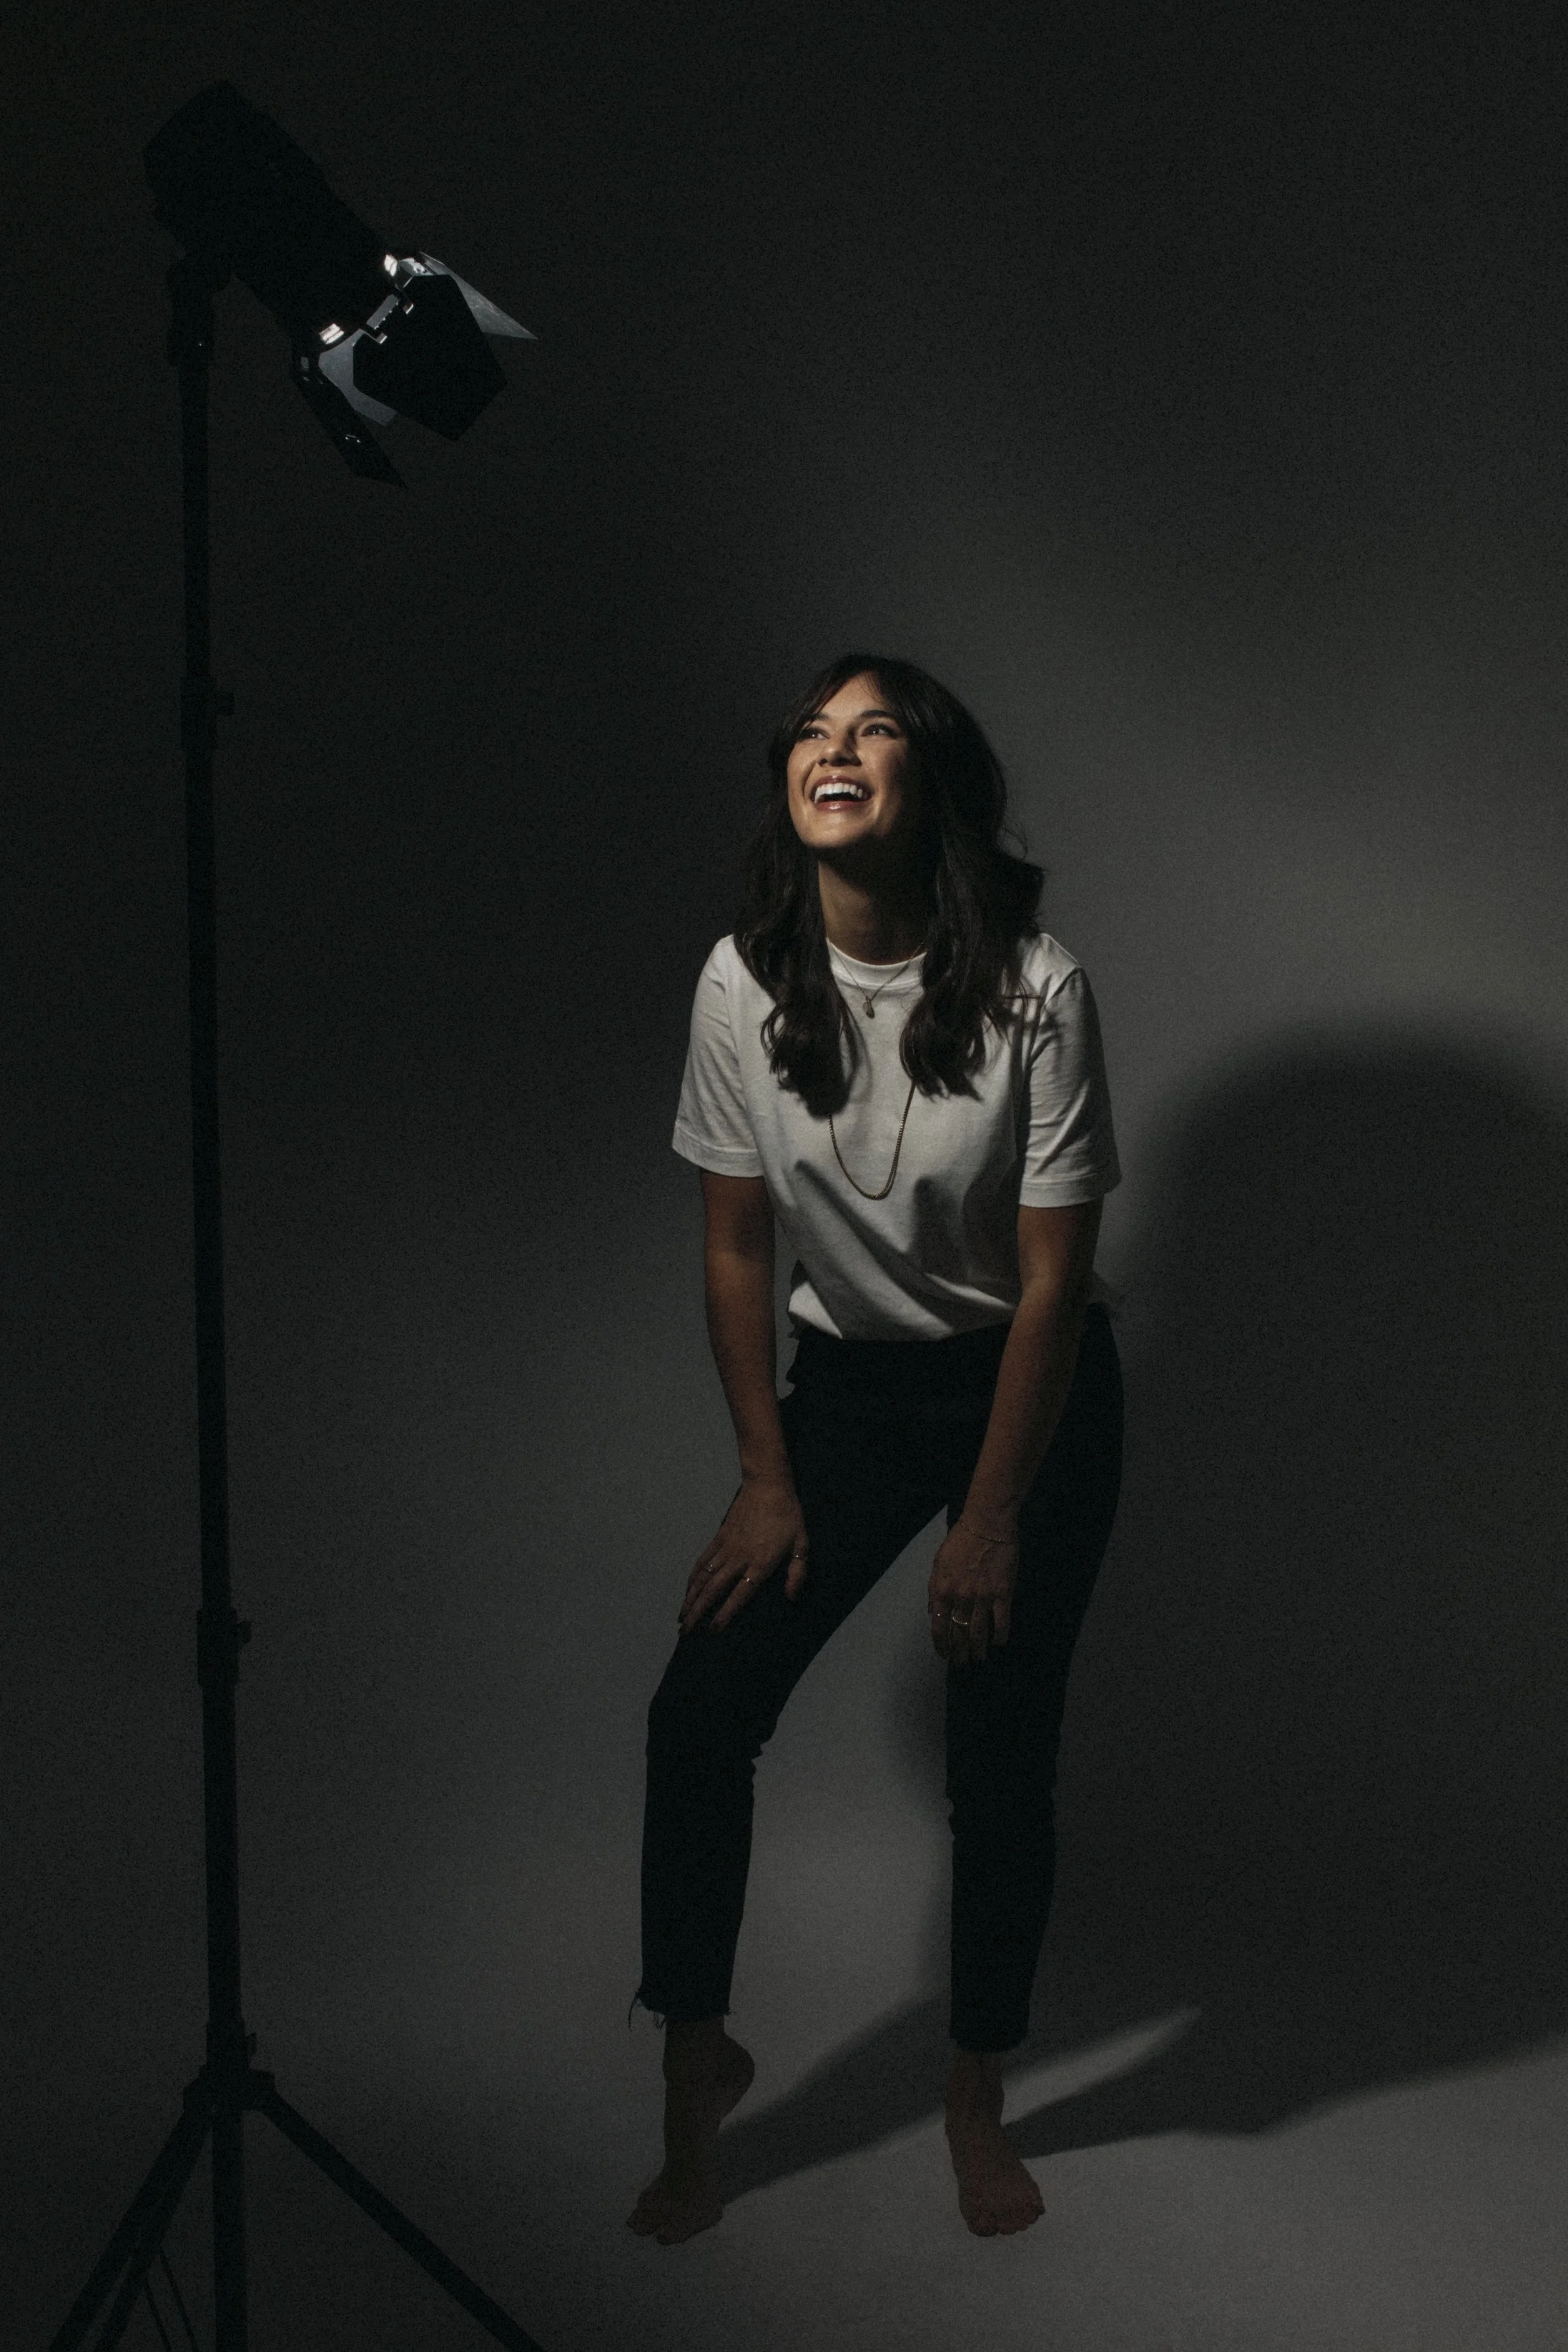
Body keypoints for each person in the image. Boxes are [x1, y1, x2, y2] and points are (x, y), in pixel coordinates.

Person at [627, 654, 1124, 2244]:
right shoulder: (739, 979)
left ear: (934, 786)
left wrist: (990, 1516)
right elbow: (731, 1255)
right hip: (841, 1398)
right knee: (700, 1714)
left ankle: (974, 2097)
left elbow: (1050, 1283)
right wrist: (767, 1474)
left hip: (1025, 1393)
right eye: (812, 734)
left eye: (875, 731)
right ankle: (695, 2078)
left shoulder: (1038, 983)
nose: (833, 751)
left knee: (999, 1762)